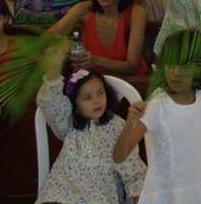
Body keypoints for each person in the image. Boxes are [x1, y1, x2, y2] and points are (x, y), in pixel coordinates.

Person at [114, 29, 201, 202]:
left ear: (199, 68)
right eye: (170, 64)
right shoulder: (157, 105)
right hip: (166, 194)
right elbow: (119, 156)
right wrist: (130, 123)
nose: (175, 73)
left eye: (184, 66)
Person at [35, 66, 146, 204]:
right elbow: (50, 103)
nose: (96, 101)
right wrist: (52, 75)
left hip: (99, 198)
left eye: (100, 93)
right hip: (60, 197)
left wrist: (139, 197)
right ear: (75, 106)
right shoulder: (68, 124)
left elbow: (133, 169)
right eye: (87, 97)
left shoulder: (118, 126)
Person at [49, 0, 148, 76]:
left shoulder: (137, 13)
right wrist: (62, 45)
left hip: (131, 83)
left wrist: (96, 61)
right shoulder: (83, 9)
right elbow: (49, 36)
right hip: (94, 82)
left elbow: (132, 66)